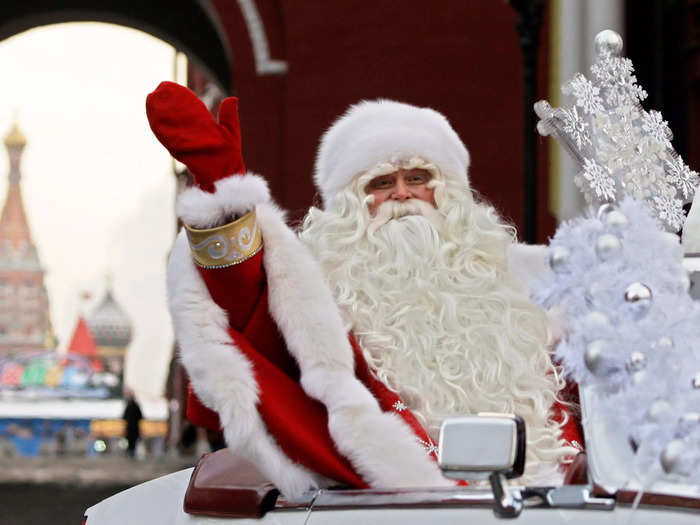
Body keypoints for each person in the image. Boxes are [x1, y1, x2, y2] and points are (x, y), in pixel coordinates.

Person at [146, 83, 580, 498]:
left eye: (419, 177)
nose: (404, 195)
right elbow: (246, 305)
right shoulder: (317, 290)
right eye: (381, 183)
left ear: (448, 192)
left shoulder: (525, 294)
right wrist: (224, 197)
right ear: (351, 204)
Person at [123, 391, 143, 458]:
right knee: (133, 441)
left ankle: (130, 453)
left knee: (130, 441)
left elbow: (124, 417)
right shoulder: (136, 406)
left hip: (130, 427)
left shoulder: (128, 406)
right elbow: (141, 417)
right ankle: (132, 453)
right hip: (135, 428)